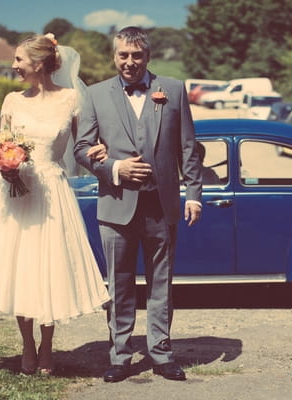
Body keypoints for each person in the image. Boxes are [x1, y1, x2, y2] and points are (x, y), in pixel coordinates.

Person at [0, 34, 110, 375]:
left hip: (52, 192)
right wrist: (5, 169)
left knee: (49, 268)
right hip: (13, 194)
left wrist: (102, 155)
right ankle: (27, 345)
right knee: (19, 269)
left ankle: (48, 347)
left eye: (19, 60)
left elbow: (83, 148)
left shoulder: (71, 100)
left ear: (38, 63)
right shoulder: (11, 101)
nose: (14, 66)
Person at [74, 26, 202, 382]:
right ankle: (120, 355)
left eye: (136, 55)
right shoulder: (96, 95)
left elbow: (188, 147)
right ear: (114, 56)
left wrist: (194, 194)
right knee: (119, 285)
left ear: (147, 56)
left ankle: (162, 353)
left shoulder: (173, 89)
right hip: (115, 206)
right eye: (122, 55)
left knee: (162, 282)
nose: (129, 62)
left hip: (161, 205)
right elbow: (81, 149)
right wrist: (113, 167)